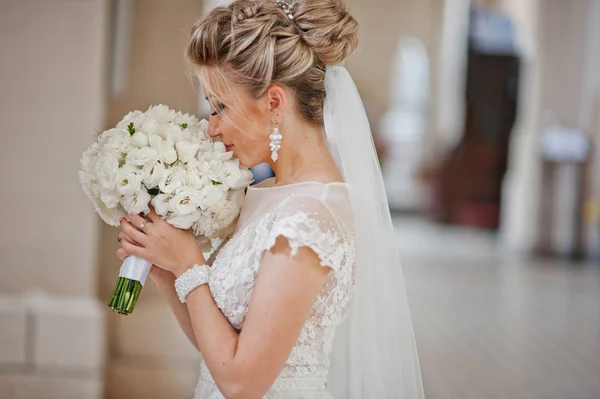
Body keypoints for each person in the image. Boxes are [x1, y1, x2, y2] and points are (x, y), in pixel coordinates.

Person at [116, 0, 424, 398]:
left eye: (220, 107)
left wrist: (190, 263)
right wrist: (165, 268)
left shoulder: (311, 216)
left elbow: (243, 382)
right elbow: (219, 346)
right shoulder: (263, 194)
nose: (210, 128)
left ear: (274, 103)